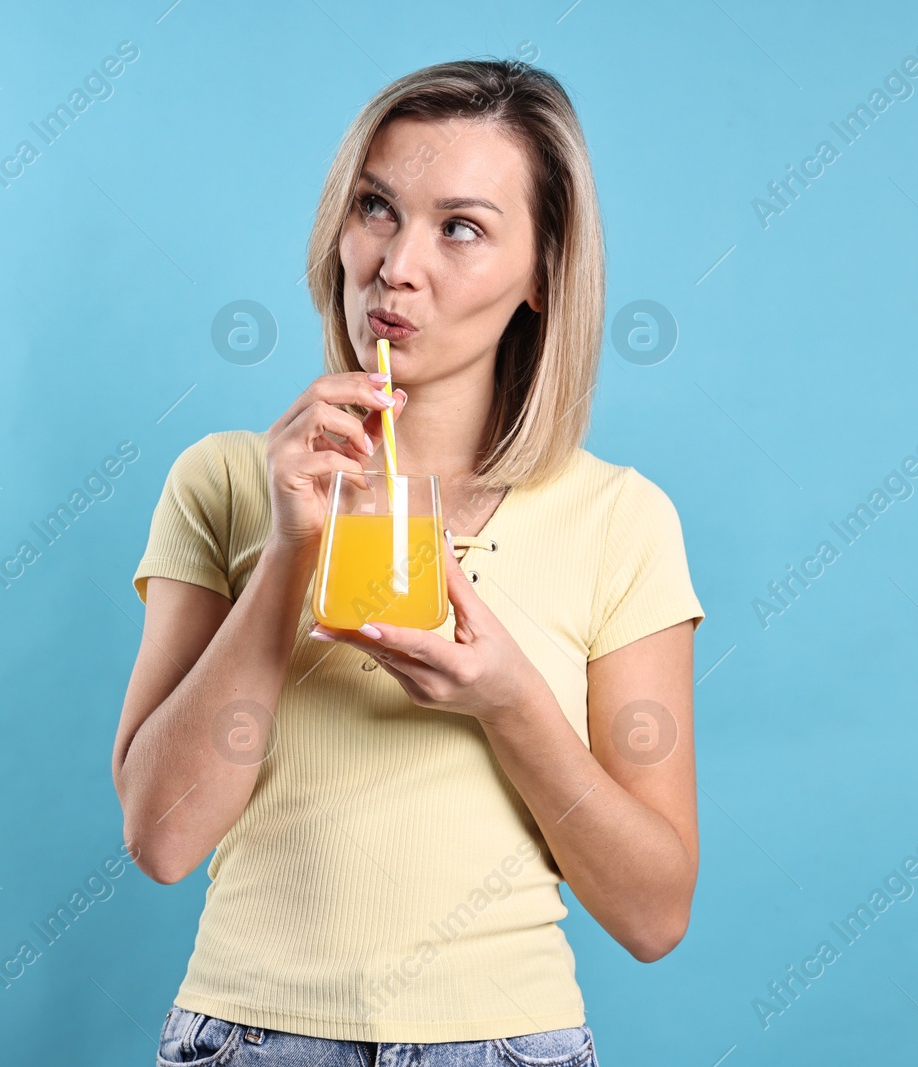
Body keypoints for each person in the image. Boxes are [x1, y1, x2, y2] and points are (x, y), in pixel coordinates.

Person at [113, 57, 704, 1067]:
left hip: (506, 1043)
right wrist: (293, 546)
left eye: (460, 227)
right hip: (250, 1037)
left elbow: (653, 912)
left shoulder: (620, 518)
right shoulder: (221, 480)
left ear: (544, 274)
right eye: (376, 208)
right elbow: (163, 837)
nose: (396, 265)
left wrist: (510, 698)